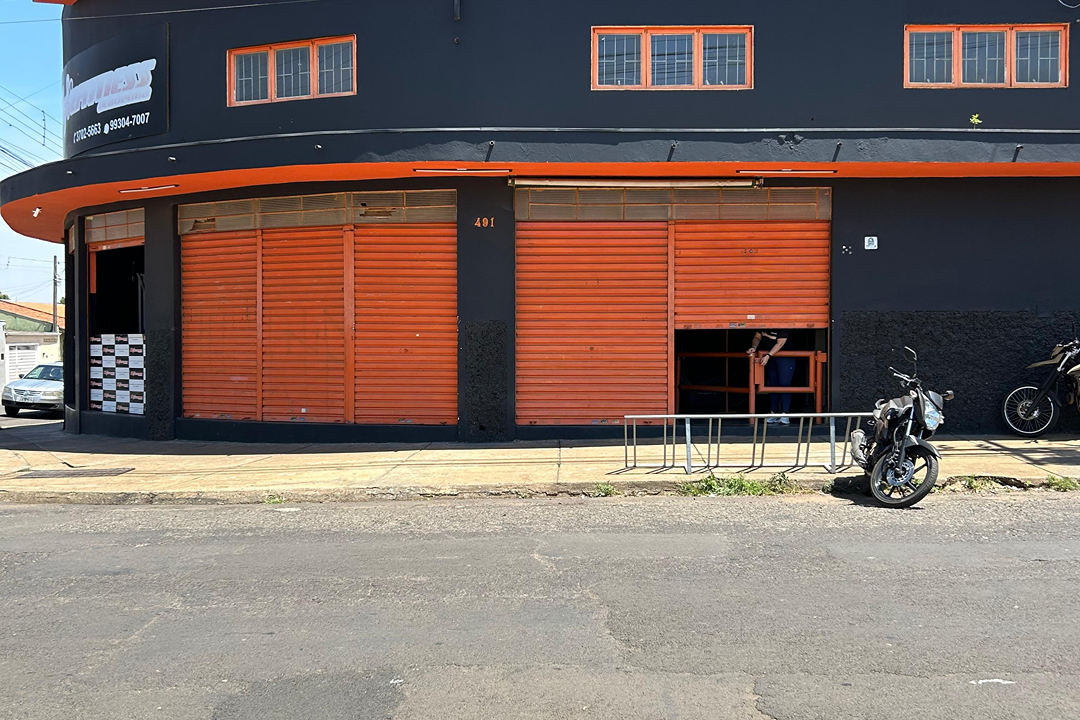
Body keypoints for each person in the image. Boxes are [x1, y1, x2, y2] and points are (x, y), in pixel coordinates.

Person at [747, 329, 796, 424]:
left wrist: (768, 356)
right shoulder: (763, 325)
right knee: (773, 384)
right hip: (771, 358)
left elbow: (780, 343)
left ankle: (785, 413)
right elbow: (757, 337)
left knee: (784, 384)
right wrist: (754, 347)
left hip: (785, 357)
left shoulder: (782, 326)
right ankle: (774, 412)